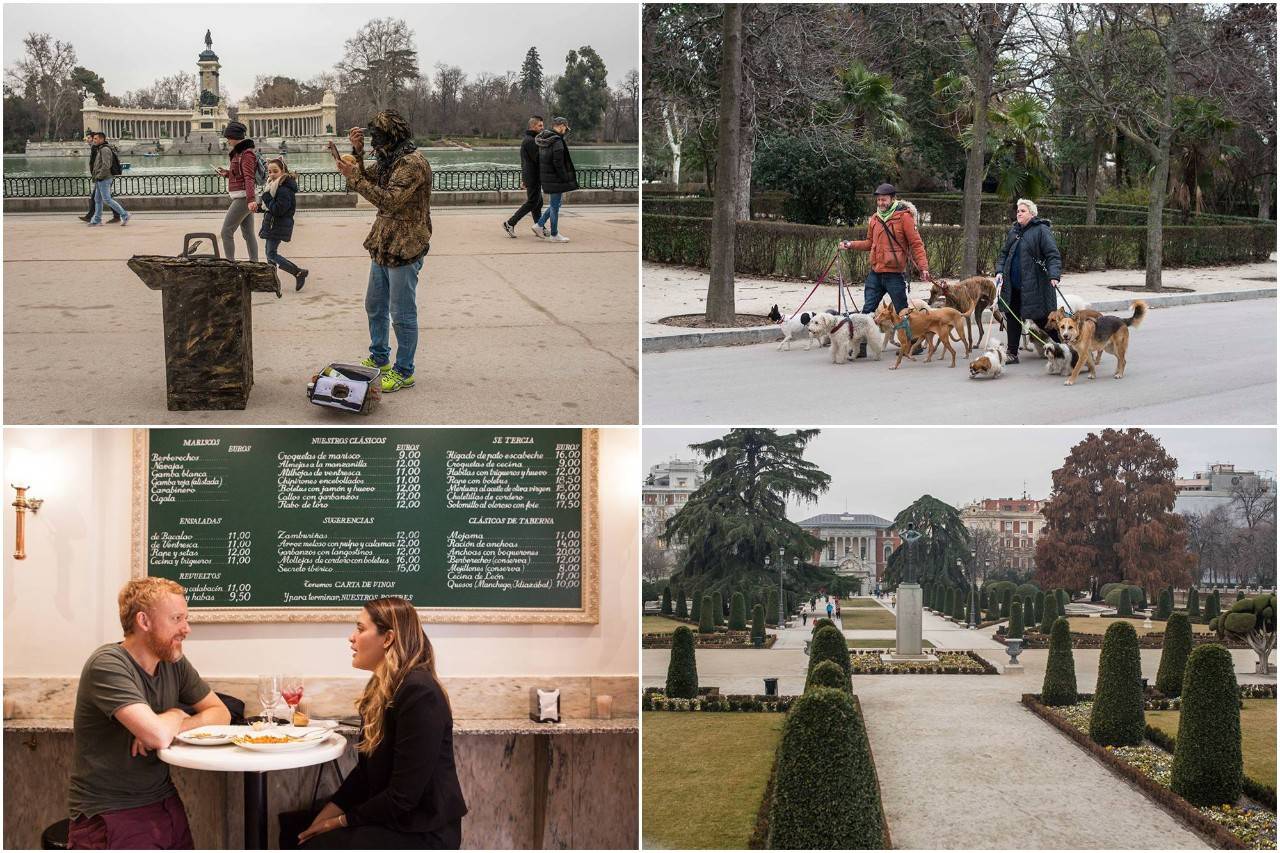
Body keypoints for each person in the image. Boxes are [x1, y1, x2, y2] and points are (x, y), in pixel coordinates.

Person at [66, 578, 230, 849]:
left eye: (185, 618)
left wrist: (174, 723)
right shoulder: (107, 664)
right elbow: (156, 736)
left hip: (163, 801)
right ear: (144, 621)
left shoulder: (172, 660)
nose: (186, 629)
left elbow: (220, 712)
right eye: (177, 618)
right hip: (110, 811)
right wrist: (176, 713)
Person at [298, 597, 467, 849]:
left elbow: (403, 797)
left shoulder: (419, 693)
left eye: (360, 629)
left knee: (315, 846)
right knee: (298, 833)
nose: (351, 638)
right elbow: (364, 775)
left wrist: (338, 823)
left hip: (422, 832)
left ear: (387, 639)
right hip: (395, 821)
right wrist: (323, 818)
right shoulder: (379, 689)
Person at [334, 110, 432, 394]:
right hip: (384, 242)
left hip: (406, 245)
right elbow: (368, 177)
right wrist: (357, 153)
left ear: (391, 137)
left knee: (402, 313)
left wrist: (355, 177)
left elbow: (388, 200)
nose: (374, 143)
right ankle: (380, 357)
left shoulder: (412, 164)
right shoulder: (391, 160)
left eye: (376, 139)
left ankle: (404, 371)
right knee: (374, 305)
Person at [838, 183, 931, 356]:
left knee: (903, 312)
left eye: (884, 199)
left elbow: (916, 244)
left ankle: (912, 345)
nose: (880, 202)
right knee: (867, 312)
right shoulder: (875, 218)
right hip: (876, 273)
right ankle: (861, 349)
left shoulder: (904, 218)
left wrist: (923, 267)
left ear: (892, 199)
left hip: (895, 274)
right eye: (878, 199)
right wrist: (850, 244)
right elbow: (869, 243)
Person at [995, 198, 1063, 365]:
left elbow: (1052, 255)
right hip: (1014, 285)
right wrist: (999, 271)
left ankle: (1067, 346)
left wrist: (1054, 275)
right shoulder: (1014, 231)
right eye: (1018, 210)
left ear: (1032, 214)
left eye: (1023, 210)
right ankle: (1012, 353)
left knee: (1042, 319)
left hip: (1036, 286)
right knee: (1012, 316)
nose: (1019, 213)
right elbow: (1004, 254)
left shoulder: (1041, 230)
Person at [250, 157, 308, 291]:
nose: (271, 174)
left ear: (283, 171)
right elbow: (270, 207)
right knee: (269, 253)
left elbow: (278, 209)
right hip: (273, 224)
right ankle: (272, 281)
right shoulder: (274, 186)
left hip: (278, 225)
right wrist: (258, 208)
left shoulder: (284, 189)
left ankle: (298, 272)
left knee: (271, 254)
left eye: (275, 171)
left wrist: (265, 197)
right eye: (269, 171)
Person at [214, 121, 260, 262]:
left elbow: (249, 177)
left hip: (243, 198)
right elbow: (239, 174)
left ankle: (230, 264)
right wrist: (227, 173)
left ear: (235, 136)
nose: (227, 141)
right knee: (248, 234)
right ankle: (254, 263)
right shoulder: (239, 153)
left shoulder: (246, 154)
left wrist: (251, 200)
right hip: (244, 196)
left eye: (229, 138)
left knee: (226, 232)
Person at [532, 117, 577, 243]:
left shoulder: (544, 139)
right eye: (565, 128)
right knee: (555, 207)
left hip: (547, 177)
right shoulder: (557, 141)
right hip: (556, 178)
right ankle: (554, 234)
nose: (565, 131)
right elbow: (558, 163)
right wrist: (564, 178)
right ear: (562, 126)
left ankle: (539, 225)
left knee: (556, 204)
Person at [503, 116, 544, 238]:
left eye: (542, 125)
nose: (542, 127)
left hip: (532, 175)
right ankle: (510, 223)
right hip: (533, 176)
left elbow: (525, 162)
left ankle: (539, 226)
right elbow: (538, 159)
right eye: (540, 126)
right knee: (533, 202)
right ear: (532, 126)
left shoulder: (531, 139)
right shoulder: (531, 141)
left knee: (538, 203)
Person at [87, 132, 129, 227]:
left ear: (102, 139)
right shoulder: (100, 148)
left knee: (107, 199)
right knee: (97, 199)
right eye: (94, 139)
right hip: (100, 178)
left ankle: (125, 215)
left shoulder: (105, 149)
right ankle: (97, 220)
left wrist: (100, 176)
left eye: (96, 139)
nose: (94, 140)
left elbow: (106, 165)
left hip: (104, 178)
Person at [79, 131, 120, 224]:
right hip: (99, 176)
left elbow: (103, 164)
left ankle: (122, 214)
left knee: (102, 198)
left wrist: (99, 175)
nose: (88, 140)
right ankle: (95, 218)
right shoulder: (96, 147)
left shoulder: (99, 148)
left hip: (102, 176)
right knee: (100, 198)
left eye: (90, 138)